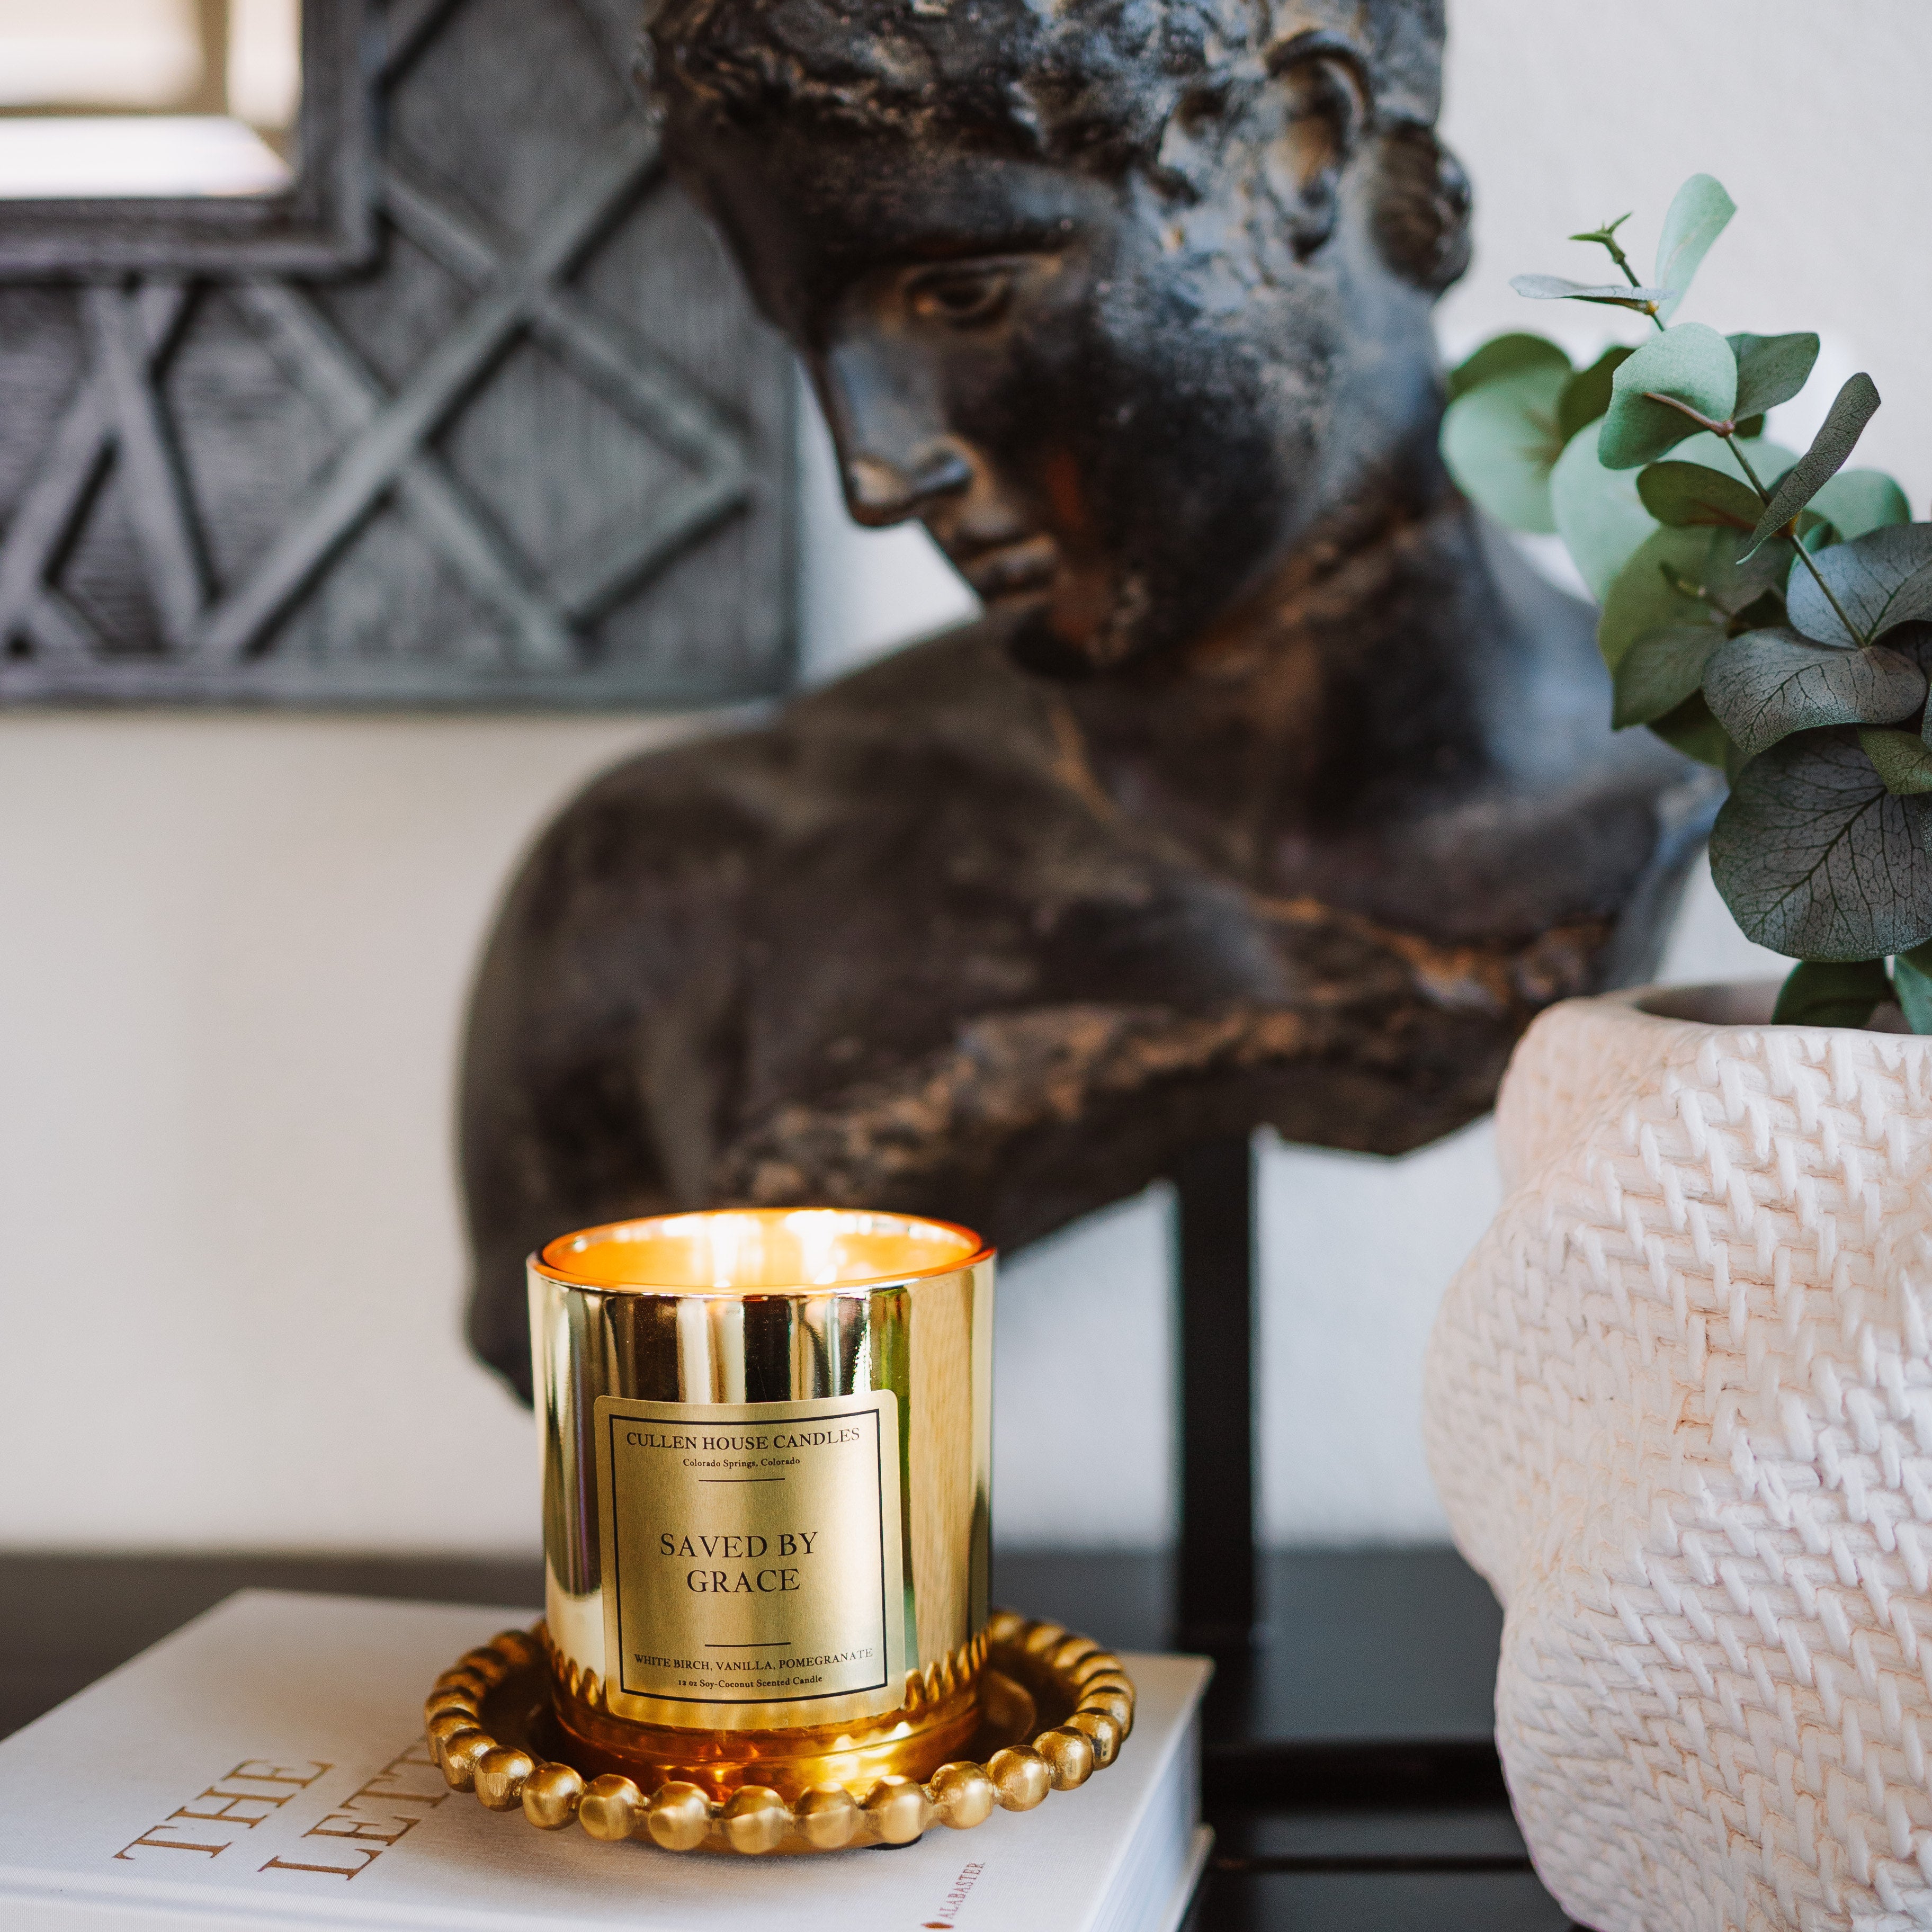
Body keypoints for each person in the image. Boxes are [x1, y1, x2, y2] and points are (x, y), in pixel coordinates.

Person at [461, 0, 1709, 1397]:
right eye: (812, 342)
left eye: (960, 298)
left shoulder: (1758, 760)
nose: (875, 474)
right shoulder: (677, 882)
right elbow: (626, 1435)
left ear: (1303, 144)